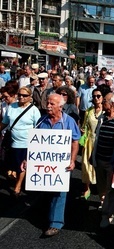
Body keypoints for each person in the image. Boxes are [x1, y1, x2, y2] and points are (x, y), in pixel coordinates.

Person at [29, 93, 80, 236]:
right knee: (47, 191)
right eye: (48, 103)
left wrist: (72, 159)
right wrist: (28, 159)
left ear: (60, 106)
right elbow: (35, 142)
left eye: (52, 104)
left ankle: (55, 223)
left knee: (59, 192)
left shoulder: (69, 121)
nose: (48, 106)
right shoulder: (41, 120)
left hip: (61, 164)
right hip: (44, 164)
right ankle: (46, 213)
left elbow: (75, 141)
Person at [92, 92, 114, 228]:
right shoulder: (102, 118)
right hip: (100, 158)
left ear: (112, 104)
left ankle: (107, 214)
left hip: (113, 162)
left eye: (105, 101)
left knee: (111, 189)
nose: (102, 103)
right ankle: (104, 204)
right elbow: (97, 137)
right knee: (101, 186)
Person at [0, 87, 41, 196]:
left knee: (21, 166)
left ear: (30, 97)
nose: (21, 97)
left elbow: (38, 128)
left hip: (27, 143)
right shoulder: (12, 107)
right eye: (20, 95)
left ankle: (17, 187)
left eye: (24, 95)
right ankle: (19, 181)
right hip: (13, 142)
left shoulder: (34, 110)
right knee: (14, 164)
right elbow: (5, 122)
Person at [80, 86, 110, 199]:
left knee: (101, 168)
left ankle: (102, 193)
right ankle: (86, 188)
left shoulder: (106, 111)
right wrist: (83, 131)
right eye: (94, 96)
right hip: (89, 142)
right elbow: (84, 125)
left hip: (102, 142)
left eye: (98, 96)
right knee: (86, 165)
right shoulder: (89, 111)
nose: (96, 98)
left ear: (103, 97)